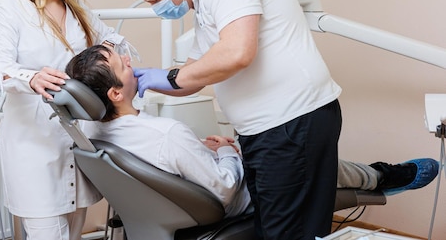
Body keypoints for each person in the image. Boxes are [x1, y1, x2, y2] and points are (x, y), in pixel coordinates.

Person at [65, 44, 439, 219]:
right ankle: (385, 176)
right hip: (239, 197)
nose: (131, 60)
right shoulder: (166, 134)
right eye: (122, 62)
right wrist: (227, 151)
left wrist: (204, 151)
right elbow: (226, 190)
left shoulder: (93, 132)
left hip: (180, 202)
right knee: (309, 162)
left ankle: (377, 174)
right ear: (115, 93)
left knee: (299, 159)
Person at [130, 0, 351, 239]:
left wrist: (169, 77)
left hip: (293, 121)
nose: (157, 9)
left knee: (287, 233)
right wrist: (147, 80)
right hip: (262, 132)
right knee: (271, 229)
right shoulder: (204, 4)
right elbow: (194, 77)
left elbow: (237, 53)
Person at [0, 0, 137, 240]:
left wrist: (125, 59)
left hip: (76, 141)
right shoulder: (9, 9)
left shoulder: (79, 11)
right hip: (34, 146)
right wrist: (32, 77)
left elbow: (115, 45)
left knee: (74, 232)